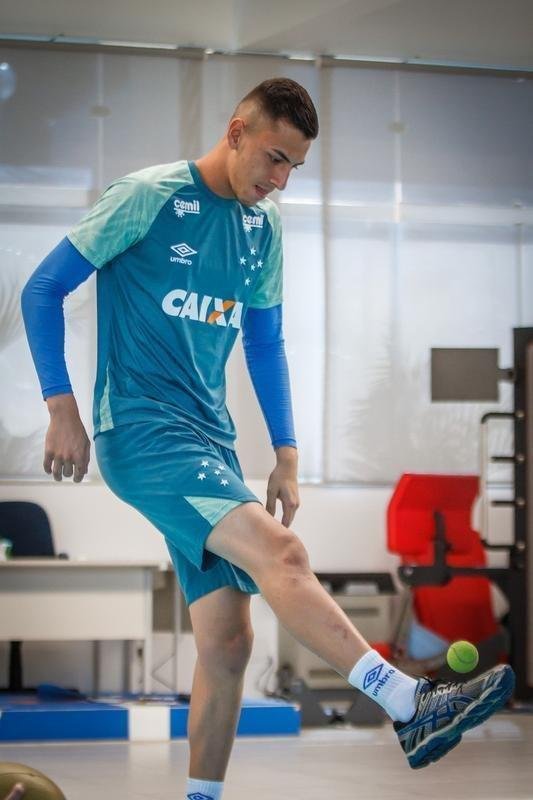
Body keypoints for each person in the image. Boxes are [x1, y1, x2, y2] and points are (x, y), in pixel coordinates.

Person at [22, 77, 514, 797]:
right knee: (282, 553)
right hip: (143, 432)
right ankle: (408, 703)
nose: (279, 180)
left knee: (228, 644)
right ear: (236, 131)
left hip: (210, 441)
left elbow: (265, 341)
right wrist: (60, 405)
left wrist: (285, 453)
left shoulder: (264, 226)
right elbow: (42, 288)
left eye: (294, 168)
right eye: (273, 158)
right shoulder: (149, 197)